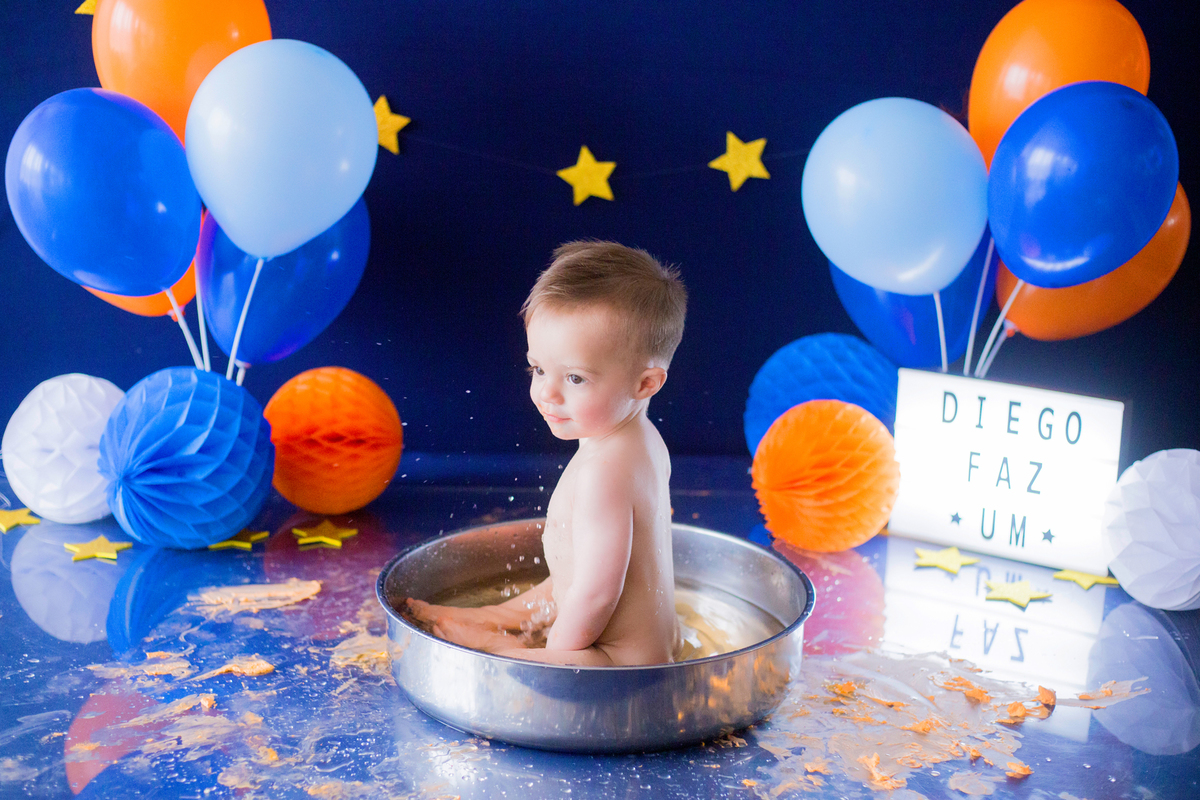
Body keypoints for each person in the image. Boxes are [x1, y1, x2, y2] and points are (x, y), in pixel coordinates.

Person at [405, 240, 687, 666]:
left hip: (618, 663)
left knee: (519, 657)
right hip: (652, 642)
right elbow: (585, 578)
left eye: (574, 378)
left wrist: (552, 660)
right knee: (562, 582)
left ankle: (497, 643)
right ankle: (494, 617)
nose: (546, 393)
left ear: (646, 383)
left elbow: (596, 593)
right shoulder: (639, 439)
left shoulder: (604, 473)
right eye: (538, 369)